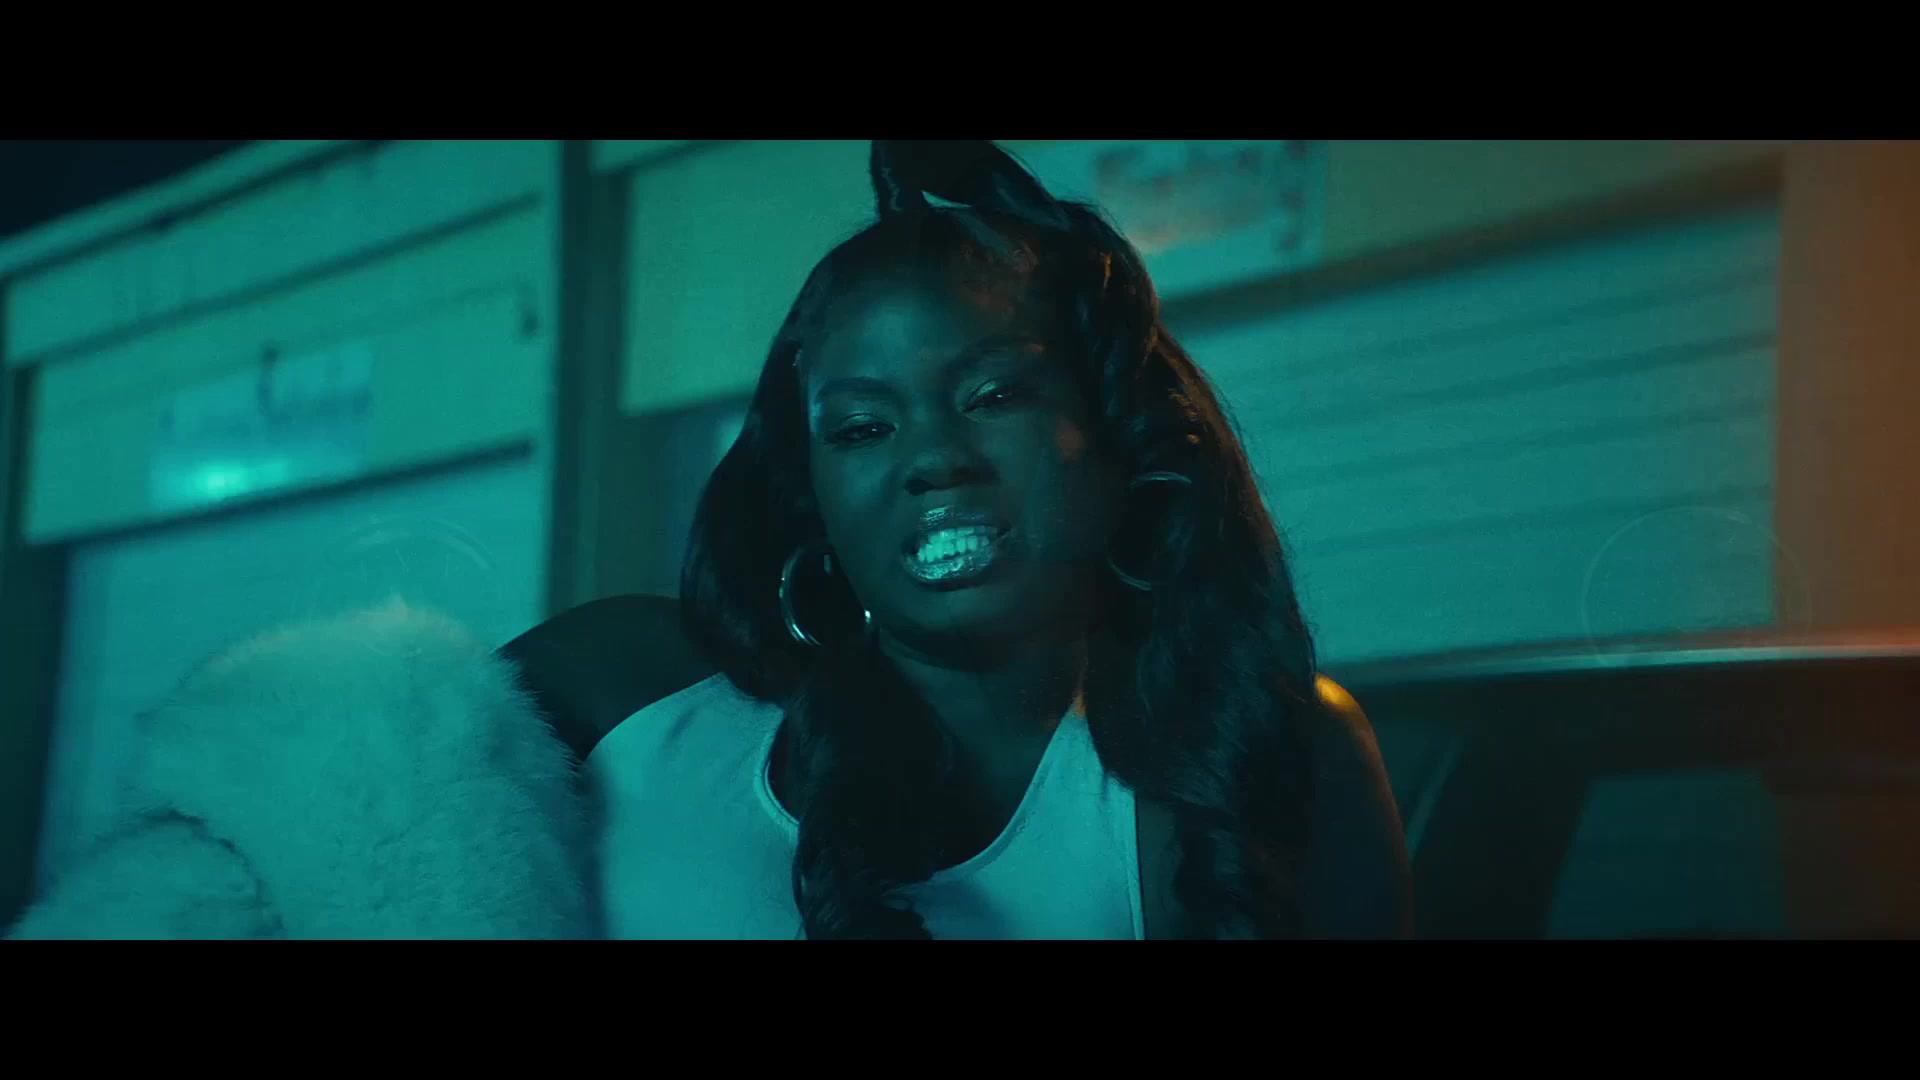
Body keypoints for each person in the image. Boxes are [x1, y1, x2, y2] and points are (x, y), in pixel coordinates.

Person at [5, 140, 1408, 940]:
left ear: (1118, 435)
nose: (931, 457)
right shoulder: (622, 693)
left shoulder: (1251, 757)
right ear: (813, 494)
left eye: (992, 394)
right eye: (861, 426)